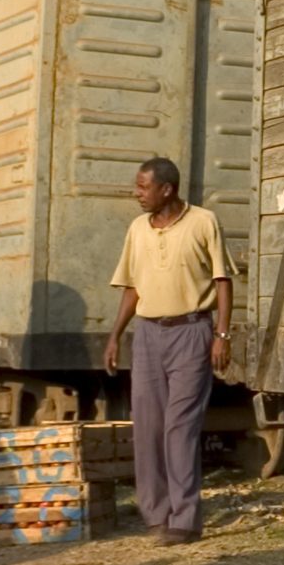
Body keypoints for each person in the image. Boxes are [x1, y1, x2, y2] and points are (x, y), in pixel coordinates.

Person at [103, 157, 233, 545]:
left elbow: (223, 281)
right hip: (147, 335)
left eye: (143, 187)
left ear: (167, 189)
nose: (136, 194)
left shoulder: (203, 222)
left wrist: (222, 336)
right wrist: (115, 336)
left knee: (180, 428)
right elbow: (132, 287)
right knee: (147, 426)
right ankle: (156, 514)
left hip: (192, 333)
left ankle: (186, 519)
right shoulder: (138, 229)